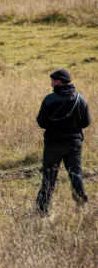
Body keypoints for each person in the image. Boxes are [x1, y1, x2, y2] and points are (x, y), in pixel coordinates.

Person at [36, 69, 91, 216]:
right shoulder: (80, 99)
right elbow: (86, 122)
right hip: (74, 145)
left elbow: (41, 123)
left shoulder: (49, 99)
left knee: (49, 177)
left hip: (53, 145)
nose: (51, 83)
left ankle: (43, 211)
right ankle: (81, 206)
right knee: (76, 175)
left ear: (59, 81)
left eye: (53, 80)